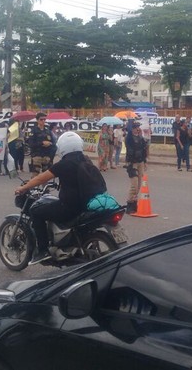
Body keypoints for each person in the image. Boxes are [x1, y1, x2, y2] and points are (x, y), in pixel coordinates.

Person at [14, 132, 106, 262]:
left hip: (70, 208)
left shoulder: (64, 164)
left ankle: (43, 251)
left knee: (36, 211)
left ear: (63, 147)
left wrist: (23, 188)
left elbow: (41, 178)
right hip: (88, 204)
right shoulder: (86, 159)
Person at [125, 122, 148, 214]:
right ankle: (130, 204)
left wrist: (145, 161)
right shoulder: (129, 138)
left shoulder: (140, 138)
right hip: (132, 162)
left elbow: (144, 149)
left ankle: (134, 203)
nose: (137, 129)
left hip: (140, 162)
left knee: (139, 185)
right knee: (134, 184)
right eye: (135, 127)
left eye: (138, 127)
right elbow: (130, 147)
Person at [27, 112, 56, 178]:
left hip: (46, 156)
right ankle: (33, 188)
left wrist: (50, 144)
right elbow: (31, 144)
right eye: (41, 119)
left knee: (45, 176)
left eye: (44, 119)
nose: (43, 121)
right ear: (37, 120)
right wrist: (42, 143)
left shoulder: (47, 130)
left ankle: (44, 188)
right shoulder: (33, 131)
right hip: (37, 156)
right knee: (35, 176)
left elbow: (53, 142)